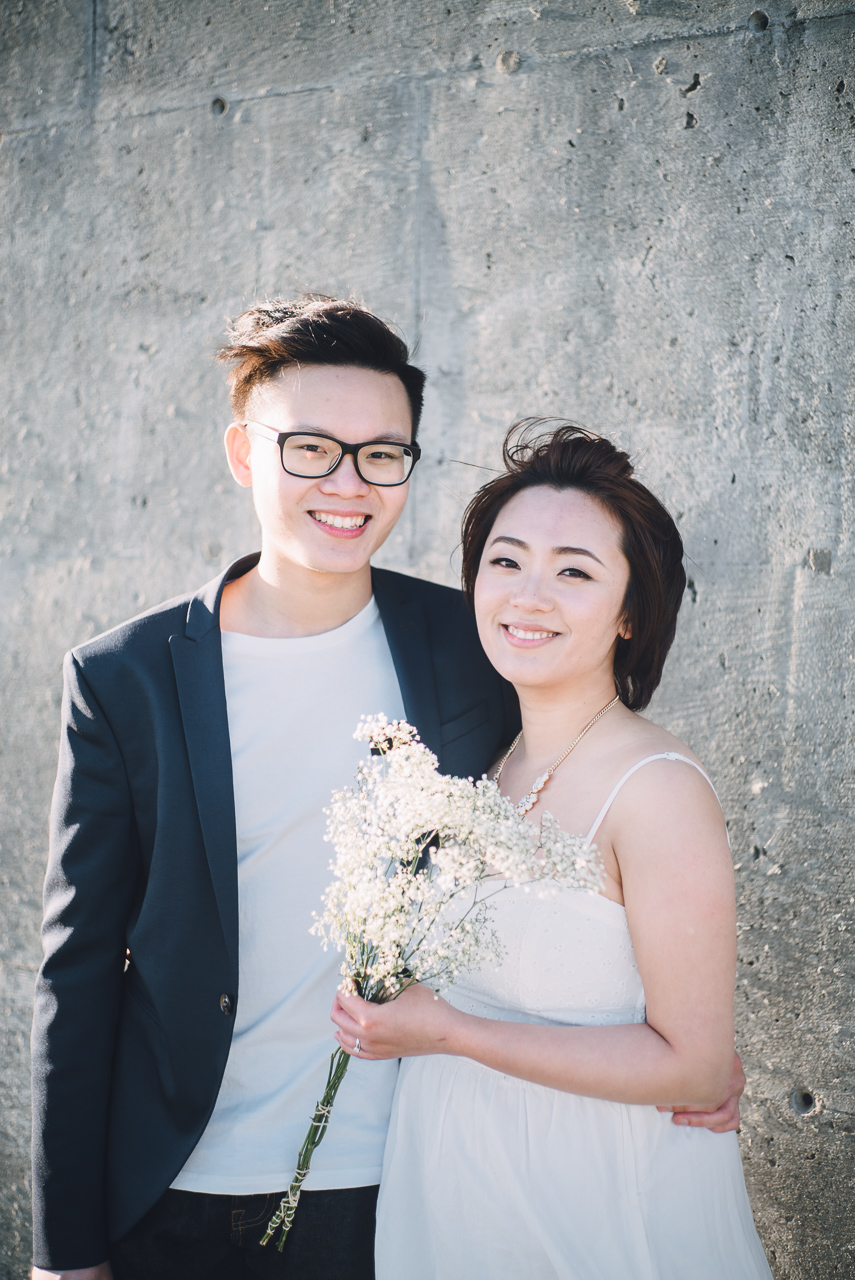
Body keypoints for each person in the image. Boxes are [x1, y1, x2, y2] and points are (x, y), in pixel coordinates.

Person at [32, 306, 742, 1280]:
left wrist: (690, 1050)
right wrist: (63, 1245)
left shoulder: (475, 643)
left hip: (390, 1183)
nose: (347, 483)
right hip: (169, 1187)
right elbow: (74, 973)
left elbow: (595, 853)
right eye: (313, 447)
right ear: (244, 450)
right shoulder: (126, 676)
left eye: (381, 454)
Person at [331, 423, 773, 1279]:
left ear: (630, 612)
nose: (528, 595)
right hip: (457, 1198)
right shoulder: (483, 765)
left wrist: (450, 1032)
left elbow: (695, 1065)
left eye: (573, 570)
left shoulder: (655, 788)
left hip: (598, 1209)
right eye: (505, 561)